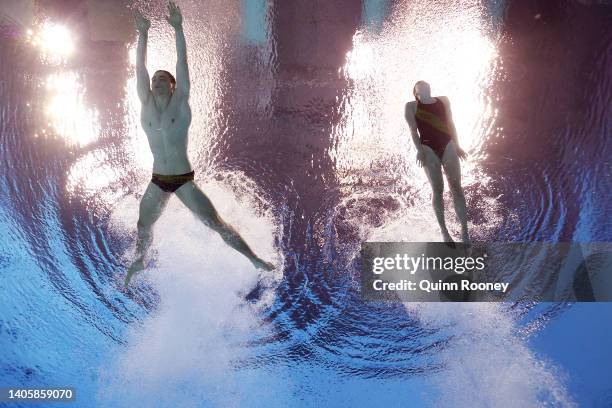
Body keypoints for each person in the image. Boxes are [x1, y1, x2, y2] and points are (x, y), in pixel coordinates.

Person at [125, 2, 274, 287]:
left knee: (216, 223)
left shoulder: (180, 104)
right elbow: (139, 68)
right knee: (143, 225)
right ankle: (140, 260)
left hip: (182, 181)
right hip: (158, 180)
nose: (155, 80)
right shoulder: (145, 105)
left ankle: (254, 259)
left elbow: (182, 64)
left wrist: (178, 28)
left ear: (173, 86)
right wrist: (143, 35)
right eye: (154, 79)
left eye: (162, 79)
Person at [404, 80, 470, 246]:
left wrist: (457, 144)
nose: (423, 84)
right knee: (438, 190)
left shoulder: (443, 100)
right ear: (416, 92)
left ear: (430, 88)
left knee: (456, 187)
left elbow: (450, 123)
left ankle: (464, 230)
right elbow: (413, 130)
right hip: (428, 148)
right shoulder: (411, 106)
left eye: (426, 83)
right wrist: (419, 150)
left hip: (447, 144)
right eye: (419, 85)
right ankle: (444, 231)